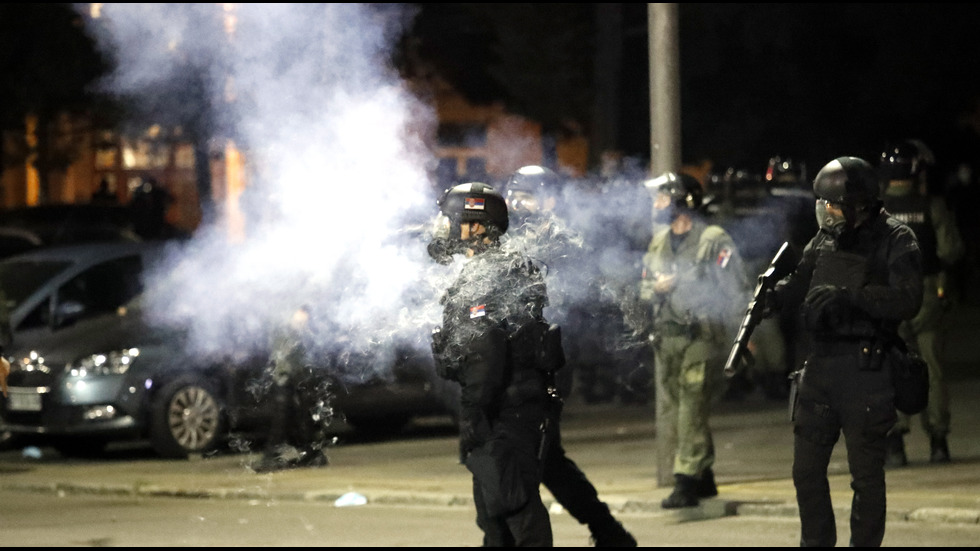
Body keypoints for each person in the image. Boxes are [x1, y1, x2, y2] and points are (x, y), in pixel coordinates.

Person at [429, 181, 634, 546]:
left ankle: (611, 534)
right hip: (513, 405)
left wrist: (475, 412)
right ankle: (611, 534)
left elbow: (485, 354)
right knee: (495, 513)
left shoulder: (488, 275)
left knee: (513, 508)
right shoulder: (501, 266)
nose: (445, 228)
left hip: (503, 409)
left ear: (476, 225)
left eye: (453, 219)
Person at [763, 156, 923, 546]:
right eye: (823, 203)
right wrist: (774, 297)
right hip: (820, 368)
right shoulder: (824, 239)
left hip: (866, 370)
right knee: (806, 472)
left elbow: (908, 299)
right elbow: (801, 281)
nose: (826, 210)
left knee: (866, 478)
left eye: (833, 203)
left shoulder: (896, 238)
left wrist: (851, 298)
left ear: (859, 204)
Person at [503, 166, 637, 546]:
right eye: (513, 197)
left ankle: (606, 531)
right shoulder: (511, 239)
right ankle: (609, 531)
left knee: (535, 461)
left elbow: (580, 302)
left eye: (526, 197)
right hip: (512, 366)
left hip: (546, 367)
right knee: (542, 462)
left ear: (549, 200)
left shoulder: (565, 245)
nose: (517, 205)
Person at [638, 171, 749, 509]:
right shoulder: (658, 242)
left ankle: (685, 480)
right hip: (668, 338)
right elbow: (644, 286)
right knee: (680, 410)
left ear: (682, 201)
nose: (656, 204)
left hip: (701, 336)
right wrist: (654, 289)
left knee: (690, 408)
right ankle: (704, 477)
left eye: (662, 197)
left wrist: (740, 336)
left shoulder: (713, 238)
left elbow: (737, 288)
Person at [879, 139, 965, 466]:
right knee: (931, 366)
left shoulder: (877, 209)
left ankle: (896, 444)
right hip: (927, 294)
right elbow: (951, 251)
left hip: (888, 298)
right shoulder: (932, 205)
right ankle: (939, 441)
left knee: (891, 368)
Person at [254, 304, 329, 473]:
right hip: (290, 370)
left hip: (293, 371)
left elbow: (292, 344)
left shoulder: (289, 311)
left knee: (290, 413)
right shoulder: (279, 317)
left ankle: (279, 455)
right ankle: (311, 453)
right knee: (295, 414)